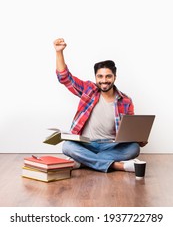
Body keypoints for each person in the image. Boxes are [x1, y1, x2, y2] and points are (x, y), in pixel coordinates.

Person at [53, 38, 146, 173]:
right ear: (95, 77)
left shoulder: (126, 101)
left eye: (108, 76)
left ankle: (84, 162)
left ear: (115, 77)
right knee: (67, 147)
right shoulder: (88, 90)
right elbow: (65, 78)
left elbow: (130, 131)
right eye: (100, 76)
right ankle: (117, 165)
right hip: (87, 144)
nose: (104, 81)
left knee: (134, 149)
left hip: (111, 146)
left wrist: (139, 138)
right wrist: (59, 52)